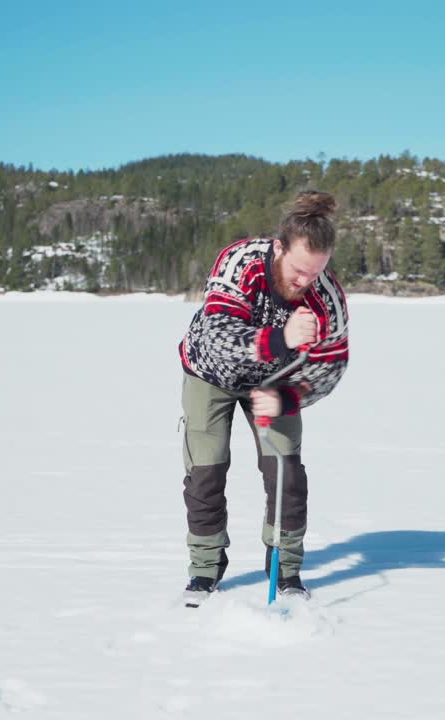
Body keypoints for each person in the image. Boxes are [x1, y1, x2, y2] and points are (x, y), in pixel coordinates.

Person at [177, 190, 350, 605]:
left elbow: (331, 366)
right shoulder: (241, 263)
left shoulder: (327, 300)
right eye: (298, 271)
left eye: (316, 272)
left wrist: (288, 398)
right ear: (279, 248)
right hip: (209, 372)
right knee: (206, 470)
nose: (305, 283)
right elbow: (218, 338)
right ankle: (205, 570)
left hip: (275, 383)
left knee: (286, 473)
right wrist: (282, 337)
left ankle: (286, 570)